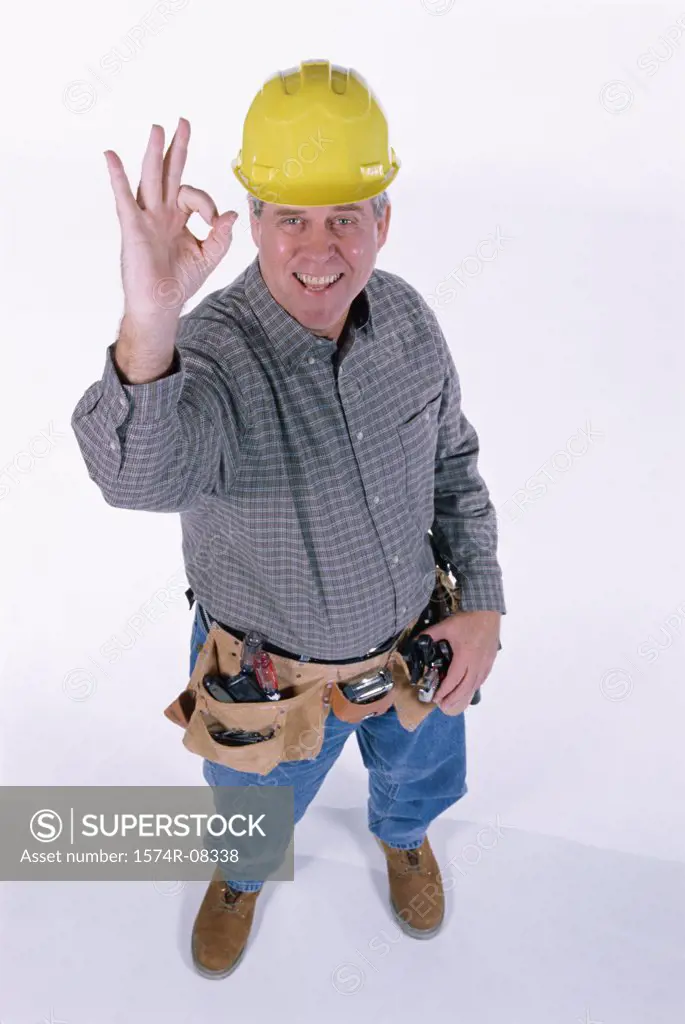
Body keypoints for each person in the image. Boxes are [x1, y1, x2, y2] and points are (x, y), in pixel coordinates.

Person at [71, 59, 506, 979]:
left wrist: (484, 602)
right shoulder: (212, 356)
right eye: (290, 220)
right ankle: (242, 874)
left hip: (412, 655)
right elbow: (136, 475)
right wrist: (150, 318)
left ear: (381, 220)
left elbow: (454, 468)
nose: (320, 248)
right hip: (265, 684)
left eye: (344, 216)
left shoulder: (412, 324)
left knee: (417, 777)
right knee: (249, 806)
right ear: (253, 223)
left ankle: (402, 837)